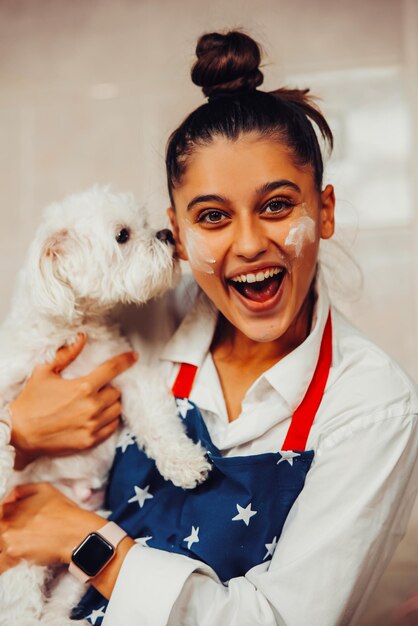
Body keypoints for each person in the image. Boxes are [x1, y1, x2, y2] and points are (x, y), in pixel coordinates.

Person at [1, 30, 418, 626]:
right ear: (177, 231)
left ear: (323, 210)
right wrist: (20, 434)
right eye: (213, 217)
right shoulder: (132, 321)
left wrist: (80, 536)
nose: (248, 244)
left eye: (276, 205)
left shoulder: (373, 407)